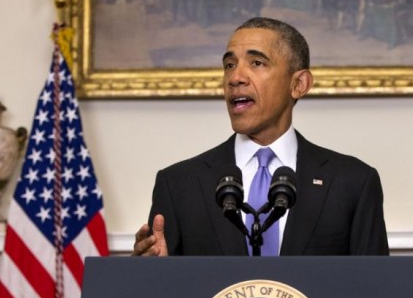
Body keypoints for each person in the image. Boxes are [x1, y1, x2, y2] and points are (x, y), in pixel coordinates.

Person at [133, 17, 388, 256]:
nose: (235, 78)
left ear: (299, 84)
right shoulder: (179, 185)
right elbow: (156, 294)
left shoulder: (353, 183)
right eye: (229, 65)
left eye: (256, 63)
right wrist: (151, 274)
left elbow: (374, 292)